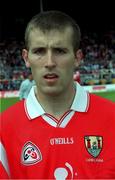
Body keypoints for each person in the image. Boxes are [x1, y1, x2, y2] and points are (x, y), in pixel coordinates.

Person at [0, 11, 115, 179]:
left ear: (77, 58)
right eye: (39, 51)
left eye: (60, 51)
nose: (49, 63)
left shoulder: (112, 118)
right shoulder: (3, 129)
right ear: (26, 58)